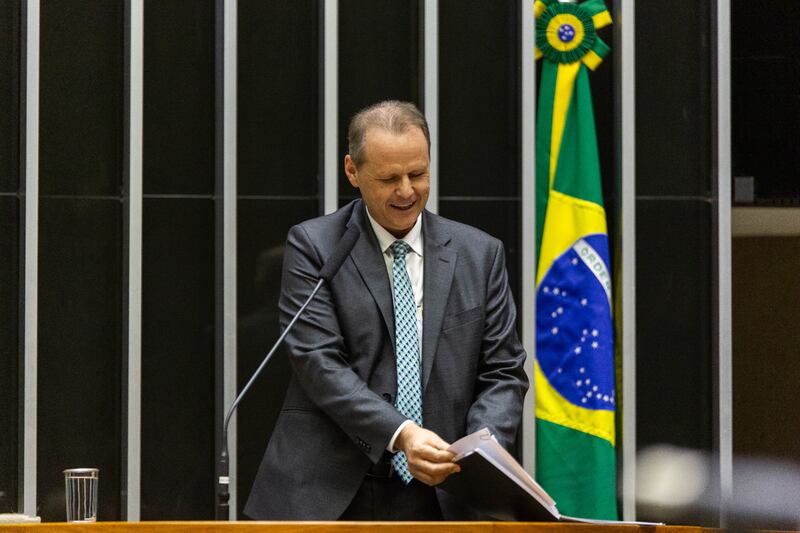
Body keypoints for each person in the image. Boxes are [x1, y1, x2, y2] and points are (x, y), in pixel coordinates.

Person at [244, 100, 528, 520]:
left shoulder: (479, 254)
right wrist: (402, 434)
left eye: (418, 173)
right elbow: (318, 362)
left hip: (445, 491)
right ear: (352, 171)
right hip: (330, 492)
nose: (407, 191)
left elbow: (503, 371)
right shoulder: (315, 246)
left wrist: (476, 453)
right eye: (389, 178)